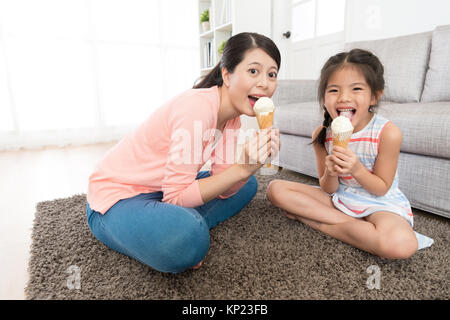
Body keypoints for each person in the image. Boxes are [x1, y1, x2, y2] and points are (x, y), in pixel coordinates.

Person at [86, 32, 281, 273]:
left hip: (162, 190)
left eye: (272, 74)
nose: (264, 82)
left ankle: (175, 230)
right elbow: (176, 198)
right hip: (117, 198)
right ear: (227, 75)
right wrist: (240, 169)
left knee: (248, 183)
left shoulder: (233, 120)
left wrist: (248, 167)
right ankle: (180, 231)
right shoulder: (196, 108)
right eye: (254, 71)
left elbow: (224, 189)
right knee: (189, 236)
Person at [267, 48, 433, 260]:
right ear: (324, 98)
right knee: (275, 189)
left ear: (375, 96)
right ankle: (359, 229)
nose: (344, 98)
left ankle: (316, 222)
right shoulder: (322, 134)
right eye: (334, 90)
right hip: (340, 198)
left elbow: (381, 188)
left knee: (401, 245)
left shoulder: (388, 133)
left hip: (379, 204)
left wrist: (356, 169)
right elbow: (328, 188)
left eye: (356, 89)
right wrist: (331, 172)